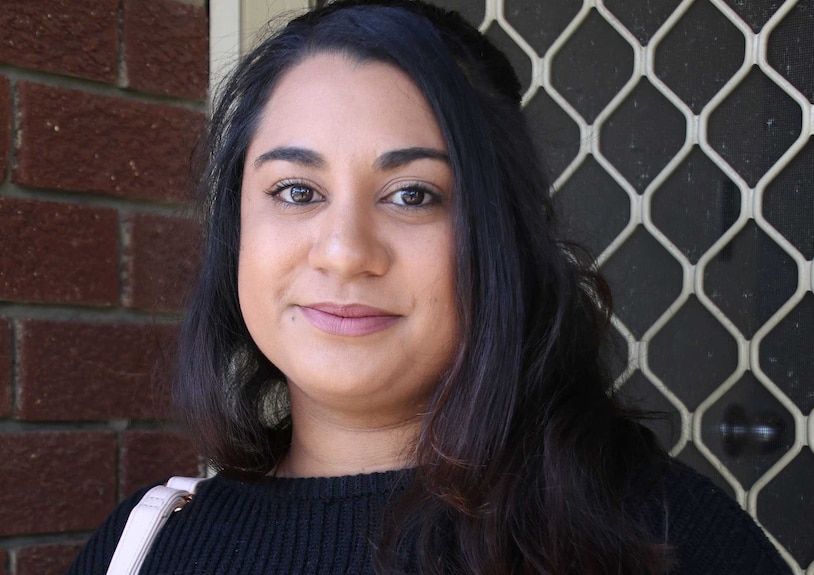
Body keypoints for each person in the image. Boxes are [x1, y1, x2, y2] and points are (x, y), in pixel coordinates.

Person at [67, 1, 791, 573]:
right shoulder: (143, 548)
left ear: (501, 236)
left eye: (413, 194)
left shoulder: (660, 535)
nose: (347, 252)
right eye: (295, 190)